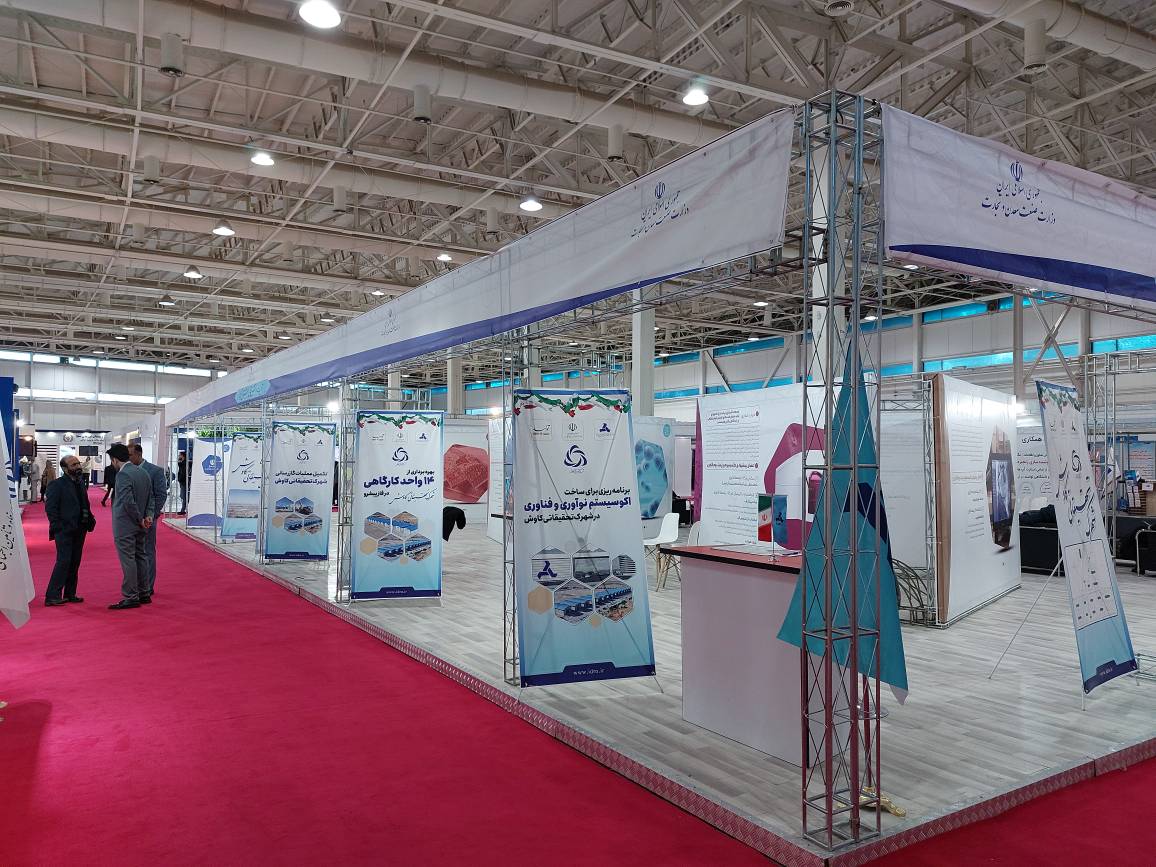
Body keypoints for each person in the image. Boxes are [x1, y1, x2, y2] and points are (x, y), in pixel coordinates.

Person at [106, 443, 154, 610]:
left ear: (114, 459)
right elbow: (151, 497)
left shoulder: (123, 474)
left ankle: (131, 596)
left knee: (128, 560)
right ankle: (144, 592)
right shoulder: (143, 472)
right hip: (141, 523)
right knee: (141, 556)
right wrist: (148, 516)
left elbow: (127, 502)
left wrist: (139, 518)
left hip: (126, 524)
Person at [43, 455, 96, 606]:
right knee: (64, 561)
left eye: (78, 463)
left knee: (74, 562)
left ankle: (70, 593)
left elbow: (84, 503)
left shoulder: (80, 483)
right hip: (64, 530)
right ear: (65, 469)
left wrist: (90, 519)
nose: (78, 466)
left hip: (80, 528)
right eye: (73, 465)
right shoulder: (56, 485)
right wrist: (57, 526)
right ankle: (52, 595)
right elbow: (51, 508)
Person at [128, 443, 169, 598]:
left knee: (147, 552)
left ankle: (147, 586)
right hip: (131, 520)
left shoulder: (155, 471)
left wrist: (152, 515)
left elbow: (161, 495)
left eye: (130, 455)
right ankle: (137, 584)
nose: (128, 458)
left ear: (139, 454)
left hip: (147, 520)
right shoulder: (127, 471)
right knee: (134, 553)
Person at [176, 450, 189, 515]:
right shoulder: (182, 463)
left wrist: (180, 479)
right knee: (183, 496)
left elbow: (183, 473)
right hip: (183, 482)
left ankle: (183, 510)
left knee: (184, 496)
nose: (179, 456)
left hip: (184, 482)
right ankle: (183, 509)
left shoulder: (184, 464)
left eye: (179, 455)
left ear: (182, 456)